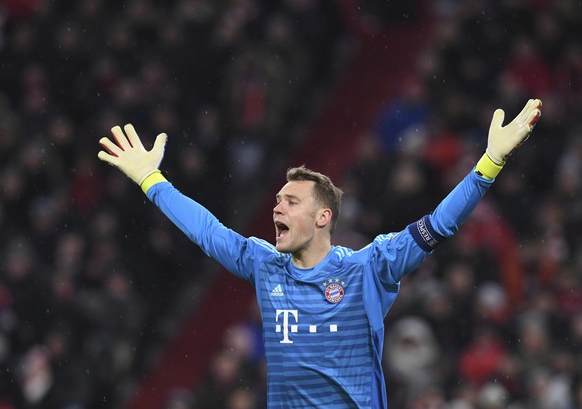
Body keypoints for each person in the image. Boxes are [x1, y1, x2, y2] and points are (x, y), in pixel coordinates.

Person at [97, 98, 542, 408]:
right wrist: (152, 182)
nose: (277, 207)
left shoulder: (371, 266)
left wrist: (489, 165)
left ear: (324, 217)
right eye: (276, 200)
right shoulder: (265, 265)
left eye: (291, 201)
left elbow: (440, 224)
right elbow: (208, 232)